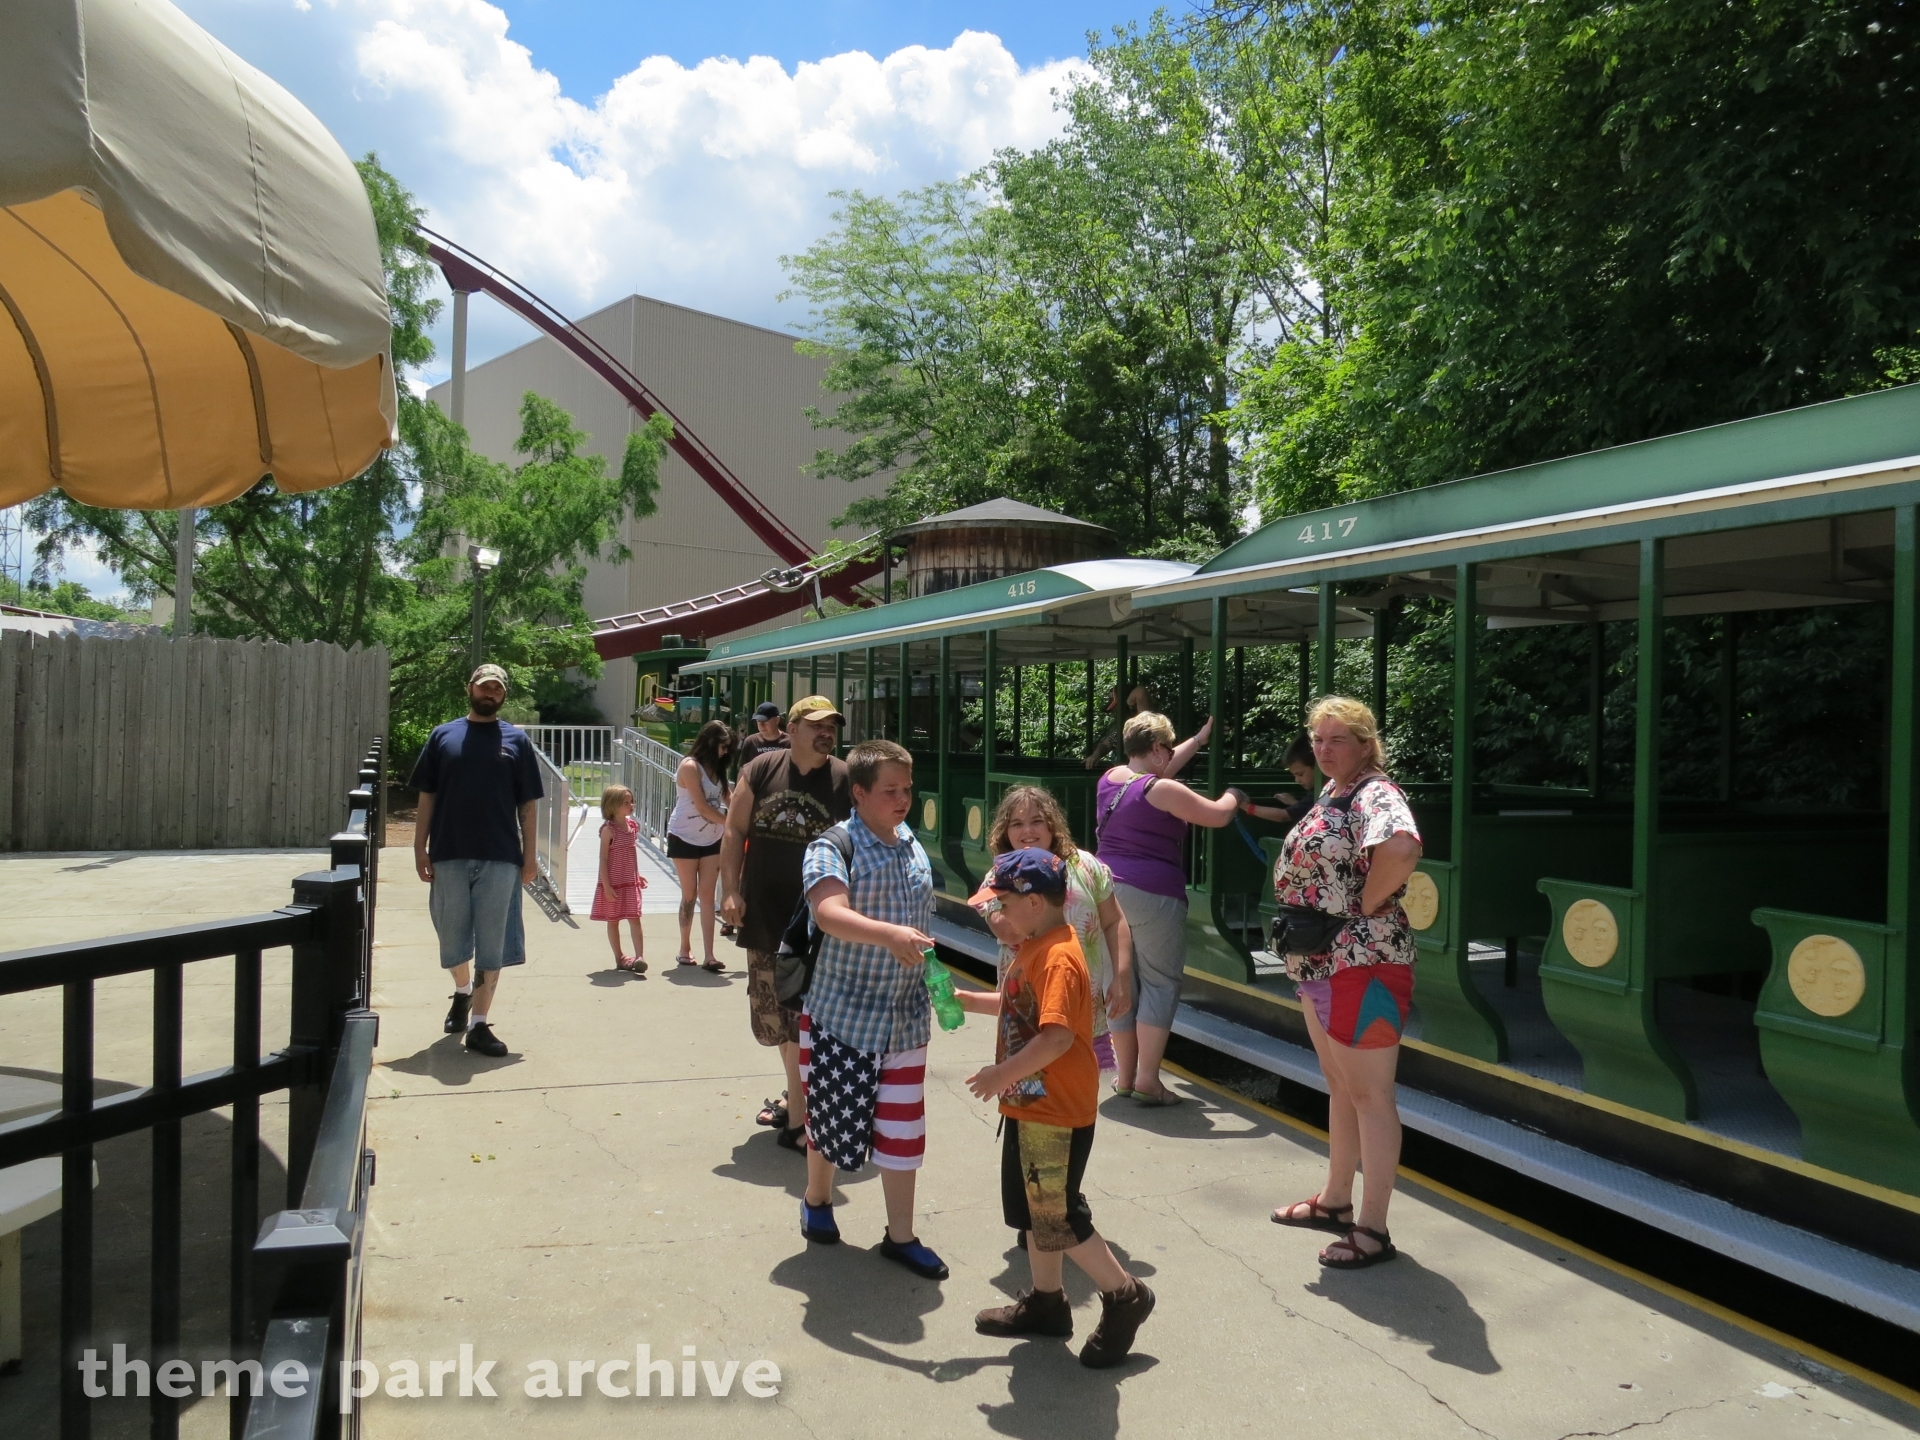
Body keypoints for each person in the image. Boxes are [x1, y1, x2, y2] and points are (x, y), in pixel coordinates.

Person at [959, 848, 1156, 1368]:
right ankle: (1047, 1303)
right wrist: (966, 999)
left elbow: (1057, 1036)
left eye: (1001, 902)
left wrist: (1001, 1074)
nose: (996, 912)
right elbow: (1018, 1005)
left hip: (1054, 1111)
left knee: (1059, 1215)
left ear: (1033, 903)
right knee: (1035, 1211)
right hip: (1032, 1107)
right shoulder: (1035, 945)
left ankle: (1125, 1295)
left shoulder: (1059, 957)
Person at [1269, 696, 1422, 1269]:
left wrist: (1366, 902)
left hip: (1364, 960)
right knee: (1341, 1086)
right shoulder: (1335, 791)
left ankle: (1373, 1229)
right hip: (1322, 961)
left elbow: (1401, 847)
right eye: (1318, 739)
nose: (1324, 748)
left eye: (1337, 739)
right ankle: (1335, 1201)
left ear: (1365, 744)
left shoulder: (1375, 792)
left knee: (1371, 1096)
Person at [795, 739, 947, 1280]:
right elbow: (829, 912)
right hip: (843, 1016)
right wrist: (889, 935)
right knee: (832, 1118)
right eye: (890, 791)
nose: (903, 799)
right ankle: (817, 1199)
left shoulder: (910, 842)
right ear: (859, 793)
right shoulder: (832, 846)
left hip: (905, 1018)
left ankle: (900, 1236)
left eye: (907, 789)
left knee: (902, 1131)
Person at [720, 696, 852, 1151]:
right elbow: (734, 829)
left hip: (819, 923)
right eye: (817, 725)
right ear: (791, 728)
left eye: (831, 726)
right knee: (774, 1023)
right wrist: (731, 890)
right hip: (765, 913)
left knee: (805, 1022)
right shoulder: (761, 769)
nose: (827, 732)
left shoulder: (844, 778)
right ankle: (797, 1099)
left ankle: (800, 1118)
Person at [1094, 711, 1245, 1104]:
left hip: (1107, 893)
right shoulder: (1163, 790)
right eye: (1168, 747)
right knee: (1159, 983)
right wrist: (1235, 794)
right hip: (1153, 895)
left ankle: (1124, 1076)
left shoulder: (1110, 779)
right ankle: (1148, 1080)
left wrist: (1199, 739)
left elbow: (1160, 768)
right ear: (1158, 748)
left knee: (1120, 983)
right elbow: (1218, 815)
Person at [409, 663, 544, 1058]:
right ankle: (462, 990)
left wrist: (529, 856)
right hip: (449, 852)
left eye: (497, 689)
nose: (490, 693)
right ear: (470, 689)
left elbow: (528, 804)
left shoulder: (516, 741)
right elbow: (427, 795)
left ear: (504, 695)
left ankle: (479, 1024)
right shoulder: (443, 736)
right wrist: (419, 847)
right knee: (451, 939)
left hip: (500, 856)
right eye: (485, 687)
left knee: (492, 943)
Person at [987, 786, 1133, 1086]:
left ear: (1052, 824)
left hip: (1082, 1008)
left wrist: (1121, 978)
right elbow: (1005, 930)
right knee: (1030, 1099)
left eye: (1037, 821)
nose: (1028, 831)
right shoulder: (999, 875)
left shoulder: (1086, 866)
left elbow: (1114, 921)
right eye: (1017, 824)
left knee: (1076, 1094)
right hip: (1027, 1013)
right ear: (1005, 831)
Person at [668, 720, 732, 971]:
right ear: (710, 742)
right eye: (722, 746)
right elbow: (703, 807)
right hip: (683, 836)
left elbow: (729, 798)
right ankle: (684, 948)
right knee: (690, 894)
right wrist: (731, 824)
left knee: (708, 894)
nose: (725, 752)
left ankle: (710, 955)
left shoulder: (718, 769)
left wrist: (743, 817)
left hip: (712, 838)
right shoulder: (690, 766)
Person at [591, 783, 647, 974]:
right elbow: (603, 859)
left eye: (632, 801)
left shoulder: (632, 826)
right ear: (613, 805)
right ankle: (619, 957)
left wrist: (637, 875)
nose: (631, 805)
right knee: (613, 920)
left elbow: (631, 855)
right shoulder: (609, 830)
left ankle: (639, 956)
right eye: (626, 802)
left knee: (634, 918)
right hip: (614, 883)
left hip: (630, 882)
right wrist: (606, 886)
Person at [1242, 737, 1318, 827]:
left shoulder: (1317, 792)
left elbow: (1283, 816)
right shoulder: (1316, 791)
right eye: (1294, 775)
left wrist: (1246, 806)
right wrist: (1295, 803)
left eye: (1300, 774)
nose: (1297, 780)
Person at [1081, 683, 1158, 770]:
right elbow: (1105, 745)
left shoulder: (1144, 724)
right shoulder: (1122, 729)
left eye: (1116, 708)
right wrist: (1095, 755)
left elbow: (1140, 692)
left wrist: (1128, 702)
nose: (1114, 712)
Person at [736, 702, 789, 767]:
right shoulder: (751, 742)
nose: (761, 725)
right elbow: (743, 770)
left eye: (765, 721)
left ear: (777, 720)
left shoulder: (789, 742)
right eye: (758, 721)